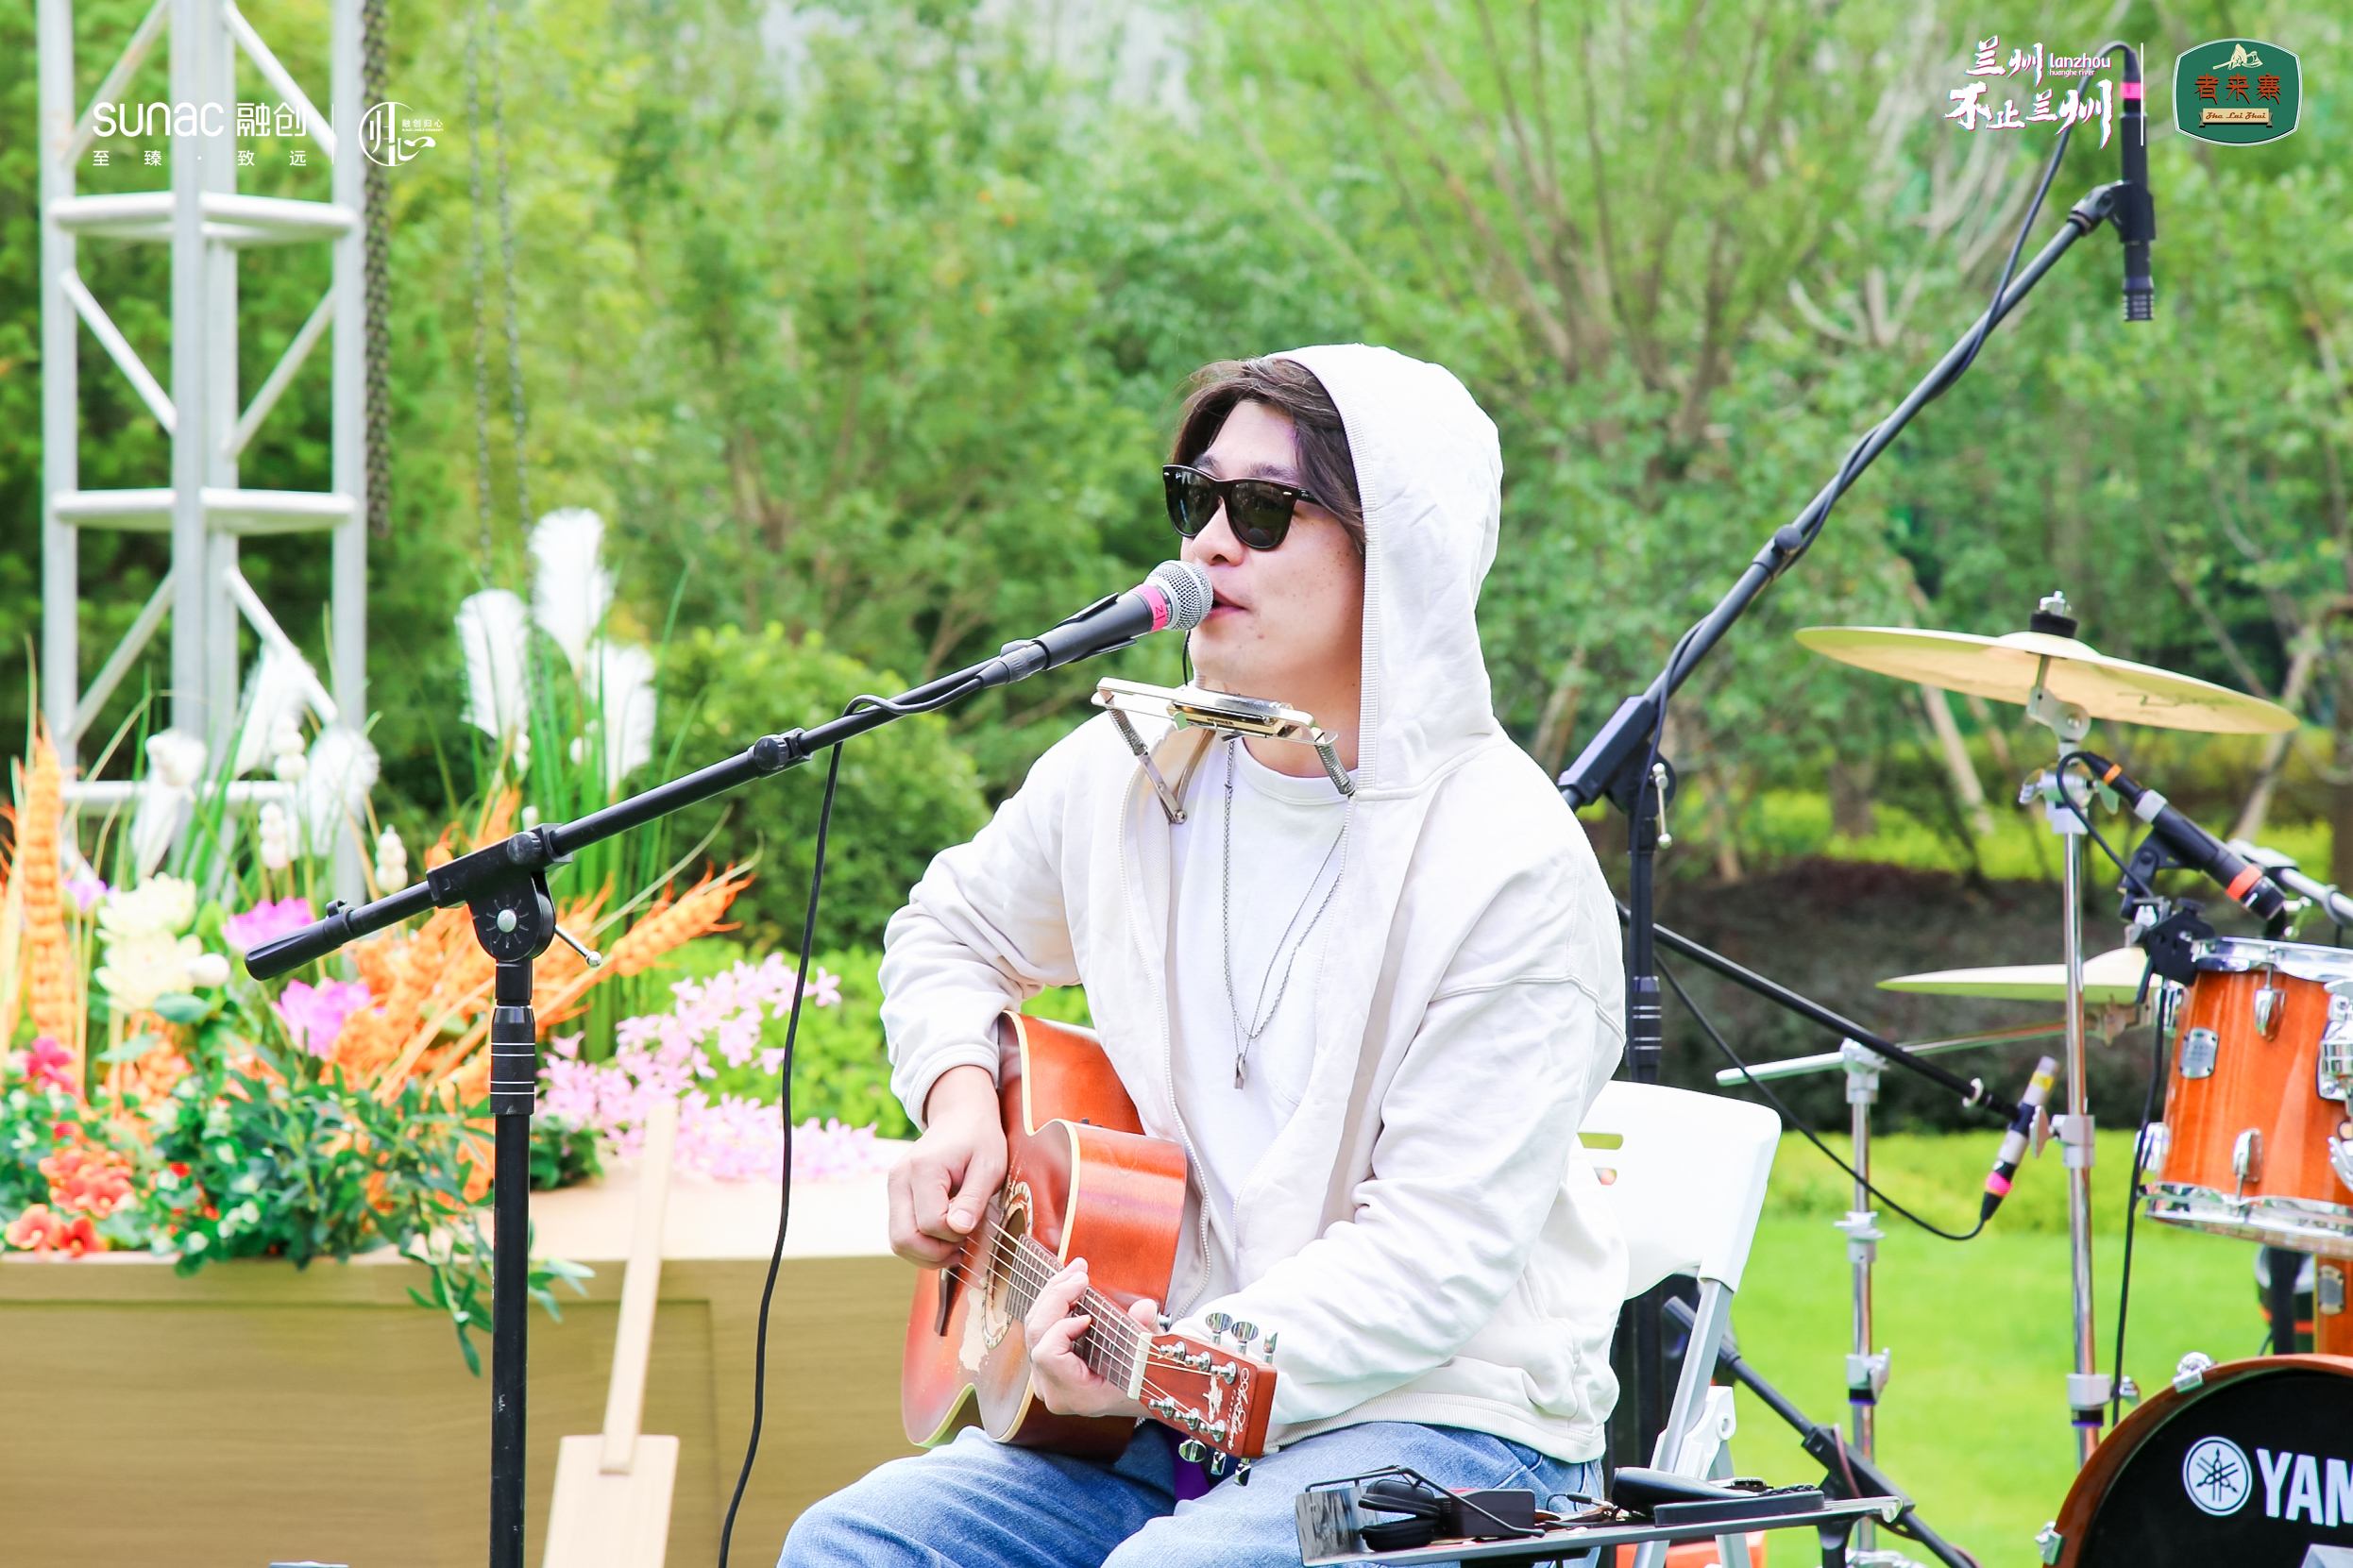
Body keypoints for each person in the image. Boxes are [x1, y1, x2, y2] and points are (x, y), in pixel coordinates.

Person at [781, 345, 1628, 1567]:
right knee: (853, 1544)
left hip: (1449, 1430)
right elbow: (949, 929)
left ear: (1397, 551)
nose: (1212, 543)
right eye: (1197, 498)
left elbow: (1430, 1264)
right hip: (1168, 1420)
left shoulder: (1508, 862)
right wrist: (959, 1099)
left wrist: (1167, 1363)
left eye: (1265, 510)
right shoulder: (1129, 770)